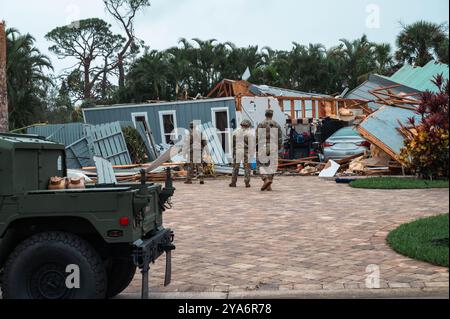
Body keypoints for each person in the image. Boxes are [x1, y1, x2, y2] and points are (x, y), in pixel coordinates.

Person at [257, 109, 283, 191]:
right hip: (273, 146)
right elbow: (279, 138)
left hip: (263, 146)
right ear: (272, 115)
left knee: (260, 164)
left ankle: (265, 179)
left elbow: (257, 136)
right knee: (272, 165)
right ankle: (269, 182)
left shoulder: (261, 124)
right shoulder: (276, 125)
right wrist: (278, 147)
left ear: (265, 115)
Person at [230, 119, 255, 188]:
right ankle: (247, 182)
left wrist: (233, 153)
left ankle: (233, 182)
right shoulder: (250, 133)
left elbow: (232, 144)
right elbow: (252, 145)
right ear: (248, 125)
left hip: (237, 151)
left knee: (235, 167)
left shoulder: (235, 132)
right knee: (247, 167)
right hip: (246, 152)